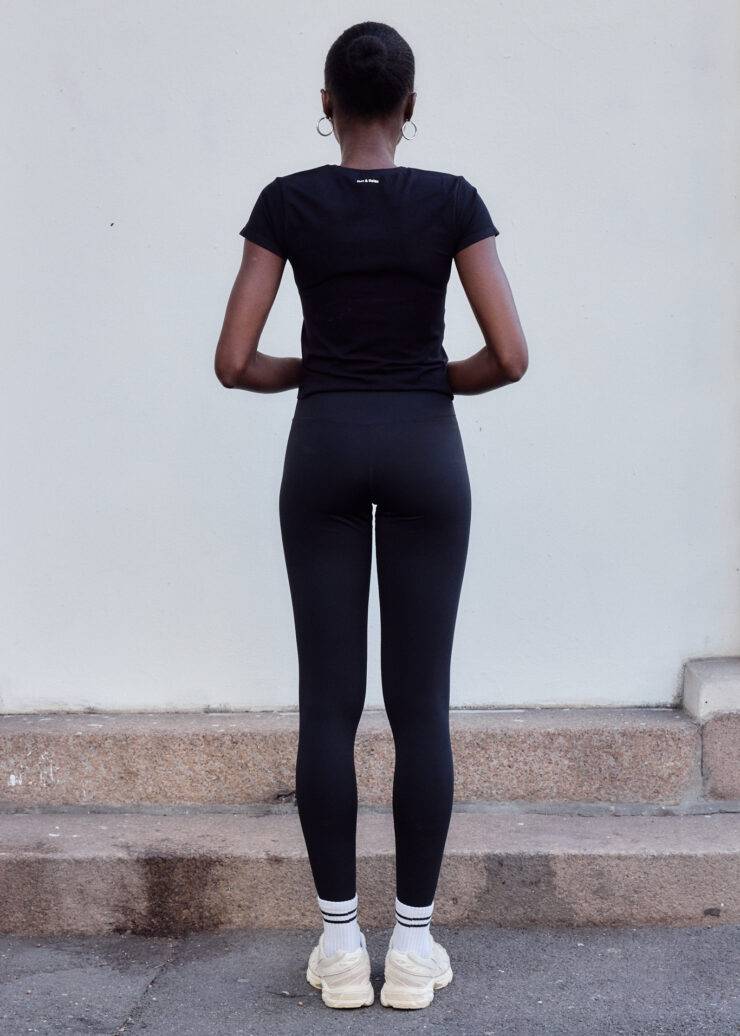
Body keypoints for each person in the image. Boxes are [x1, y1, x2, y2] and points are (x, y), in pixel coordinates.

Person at [214, 20, 528, 1012]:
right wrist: (425, 378)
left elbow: (233, 362)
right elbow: (510, 356)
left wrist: (323, 372)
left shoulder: (286, 202)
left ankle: (342, 947)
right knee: (419, 703)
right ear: (408, 105)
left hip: (324, 448)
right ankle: (415, 949)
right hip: (425, 445)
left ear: (326, 102)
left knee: (328, 704)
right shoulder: (451, 200)